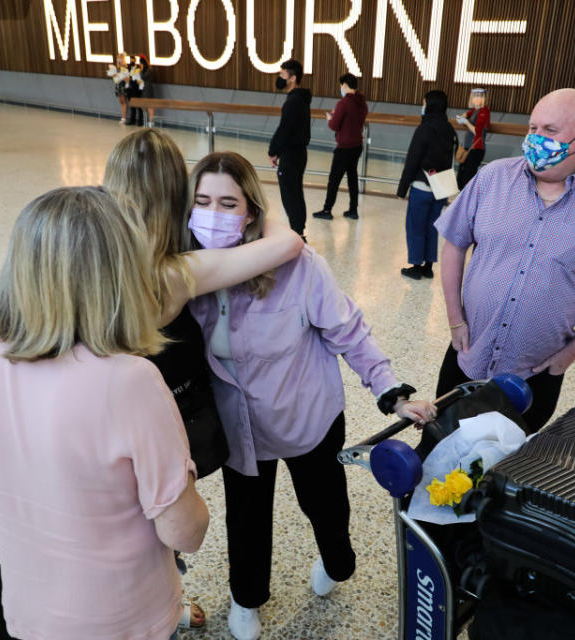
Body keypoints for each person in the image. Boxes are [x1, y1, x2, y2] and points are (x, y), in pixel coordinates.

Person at [179, 152, 437, 640]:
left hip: (307, 417)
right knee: (247, 520)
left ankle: (337, 560)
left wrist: (392, 392)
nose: (213, 213)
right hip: (240, 430)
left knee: (325, 506)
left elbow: (349, 331)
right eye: (203, 201)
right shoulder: (189, 276)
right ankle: (246, 598)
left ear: (251, 211)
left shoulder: (299, 268)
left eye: (228, 202)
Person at [0, 186, 209, 640]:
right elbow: (185, 533)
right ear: (119, 276)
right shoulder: (130, 380)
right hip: (125, 619)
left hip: (27, 612)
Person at [103, 129, 304, 630]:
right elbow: (287, 245)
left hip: (93, 420)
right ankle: (163, 609)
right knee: (158, 517)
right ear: (178, 195)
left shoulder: (93, 259)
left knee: (120, 518)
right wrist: (259, 201)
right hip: (152, 421)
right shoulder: (175, 272)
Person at [434, 88, 575, 432]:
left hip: (537, 372)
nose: (535, 138)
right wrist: (455, 319)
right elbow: (454, 243)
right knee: (440, 448)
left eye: (549, 130)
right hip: (468, 354)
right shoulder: (492, 179)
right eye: (532, 128)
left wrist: (571, 353)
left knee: (508, 472)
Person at [397, 90, 458, 280]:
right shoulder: (449, 129)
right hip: (440, 188)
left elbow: (413, 159)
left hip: (422, 186)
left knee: (416, 226)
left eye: (424, 103)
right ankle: (428, 266)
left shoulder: (424, 129)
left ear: (429, 105)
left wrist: (402, 189)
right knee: (432, 227)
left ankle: (416, 265)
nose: (422, 106)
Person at [312, 73, 368, 221]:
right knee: (352, 178)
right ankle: (353, 209)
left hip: (344, 147)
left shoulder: (343, 103)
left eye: (341, 85)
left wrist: (330, 118)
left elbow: (334, 125)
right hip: (357, 145)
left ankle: (327, 209)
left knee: (334, 180)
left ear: (344, 85)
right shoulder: (362, 103)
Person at [268, 59, 311, 239]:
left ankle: (297, 233)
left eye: (283, 74)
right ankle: (298, 230)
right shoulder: (301, 99)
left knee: (290, 194)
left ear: (292, 78)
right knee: (295, 192)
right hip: (299, 153)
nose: (280, 77)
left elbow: (285, 129)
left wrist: (273, 150)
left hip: (291, 154)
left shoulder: (294, 101)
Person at [455, 88, 490, 190]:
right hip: (468, 147)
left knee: (467, 178)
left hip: (476, 148)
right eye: (475, 96)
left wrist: (466, 122)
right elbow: (459, 119)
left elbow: (477, 132)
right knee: (461, 176)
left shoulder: (484, 111)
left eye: (479, 96)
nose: (476, 98)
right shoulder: (474, 111)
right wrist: (464, 117)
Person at [107, 52, 130, 124]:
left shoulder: (125, 66)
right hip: (118, 84)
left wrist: (121, 76)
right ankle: (123, 117)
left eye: (120, 58)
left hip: (123, 85)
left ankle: (124, 117)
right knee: (121, 101)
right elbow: (114, 75)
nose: (119, 59)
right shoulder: (117, 67)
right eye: (118, 58)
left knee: (123, 100)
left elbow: (127, 77)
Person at [126, 56, 146, 126]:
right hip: (129, 88)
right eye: (130, 60)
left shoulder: (138, 68)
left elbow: (137, 78)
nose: (131, 61)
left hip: (136, 88)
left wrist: (131, 79)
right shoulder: (128, 68)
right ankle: (132, 119)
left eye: (133, 60)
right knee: (132, 105)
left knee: (138, 105)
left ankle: (140, 120)